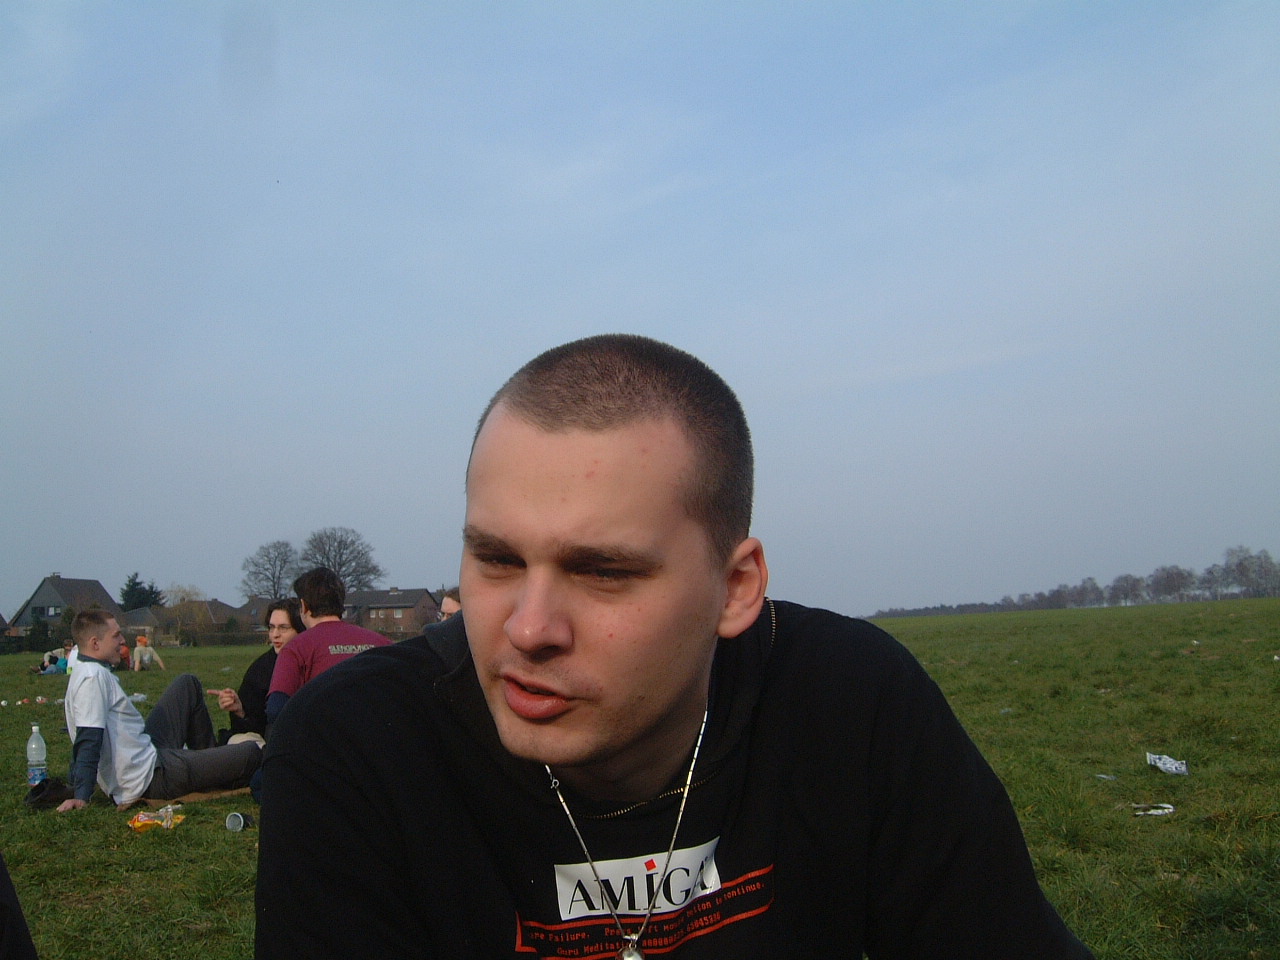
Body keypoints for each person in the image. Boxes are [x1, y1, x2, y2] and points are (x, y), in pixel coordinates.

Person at [255, 335, 1094, 959]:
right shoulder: (358, 750)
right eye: (498, 560)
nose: (529, 629)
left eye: (604, 572)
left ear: (735, 588)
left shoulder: (848, 703)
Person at [57, 610, 261, 812]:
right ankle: (213, 771)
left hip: (146, 752)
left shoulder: (85, 668)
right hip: (149, 778)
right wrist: (81, 796)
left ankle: (208, 764)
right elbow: (88, 740)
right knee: (251, 751)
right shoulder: (92, 679)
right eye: (116, 635)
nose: (122, 641)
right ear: (95, 643)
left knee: (187, 684)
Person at [264, 567, 391, 725]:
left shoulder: (296, 649)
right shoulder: (384, 644)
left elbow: (276, 709)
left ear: (303, 606)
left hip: (321, 737)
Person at [207, 598, 304, 744]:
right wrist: (239, 711)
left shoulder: (313, 663)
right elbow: (251, 729)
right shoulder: (260, 669)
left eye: (283, 628)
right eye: (271, 627)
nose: (275, 634)